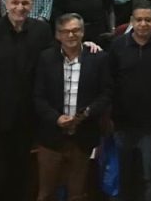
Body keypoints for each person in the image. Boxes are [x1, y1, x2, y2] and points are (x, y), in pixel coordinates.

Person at [0, 0, 54, 201]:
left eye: (25, 3)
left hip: (29, 117)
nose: (20, 7)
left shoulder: (42, 31)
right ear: (5, 3)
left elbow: (50, 68)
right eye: (15, 2)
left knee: (23, 174)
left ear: (32, 4)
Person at [33, 13, 111, 201]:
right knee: (46, 193)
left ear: (83, 32)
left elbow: (106, 94)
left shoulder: (98, 58)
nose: (71, 35)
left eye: (75, 30)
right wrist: (56, 118)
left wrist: (88, 113)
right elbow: (38, 97)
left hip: (83, 136)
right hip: (51, 136)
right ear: (57, 35)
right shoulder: (45, 58)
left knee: (77, 194)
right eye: (65, 31)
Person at [109, 0, 151, 201]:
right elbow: (108, 84)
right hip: (123, 123)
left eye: (148, 20)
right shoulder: (117, 45)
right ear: (131, 21)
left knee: (149, 177)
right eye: (139, 20)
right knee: (124, 176)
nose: (143, 24)